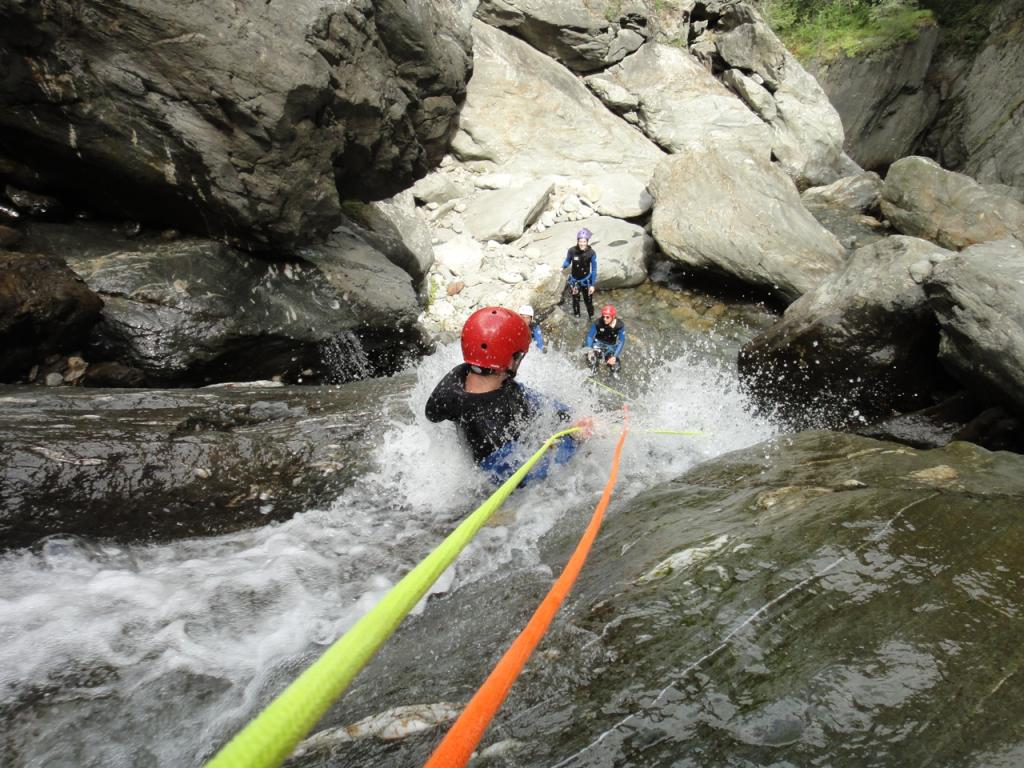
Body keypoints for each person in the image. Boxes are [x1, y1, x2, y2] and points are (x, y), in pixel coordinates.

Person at [426, 307, 590, 484]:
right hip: (501, 483)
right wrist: (572, 441)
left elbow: (534, 399)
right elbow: (526, 478)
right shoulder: (488, 429)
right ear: (512, 360)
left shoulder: (461, 376)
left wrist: (570, 415)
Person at [562, 228, 597, 320]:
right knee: (575, 300)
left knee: (588, 301)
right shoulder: (572, 251)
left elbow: (594, 269)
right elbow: (568, 261)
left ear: (587, 242)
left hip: (586, 281)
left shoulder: (591, 253)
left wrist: (592, 285)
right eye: (580, 241)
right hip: (575, 281)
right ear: (577, 241)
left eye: (584, 241)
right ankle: (577, 317)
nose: (582, 243)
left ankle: (591, 317)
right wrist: (562, 267)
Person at [584, 304, 626, 379]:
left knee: (616, 367)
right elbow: (590, 336)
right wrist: (590, 350)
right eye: (603, 316)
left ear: (613, 317)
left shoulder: (619, 325)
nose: (605, 319)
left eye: (607, 317)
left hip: (610, 347)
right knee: (592, 360)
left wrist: (614, 356)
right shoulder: (597, 323)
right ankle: (592, 375)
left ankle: (610, 381)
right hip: (598, 344)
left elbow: (621, 341)